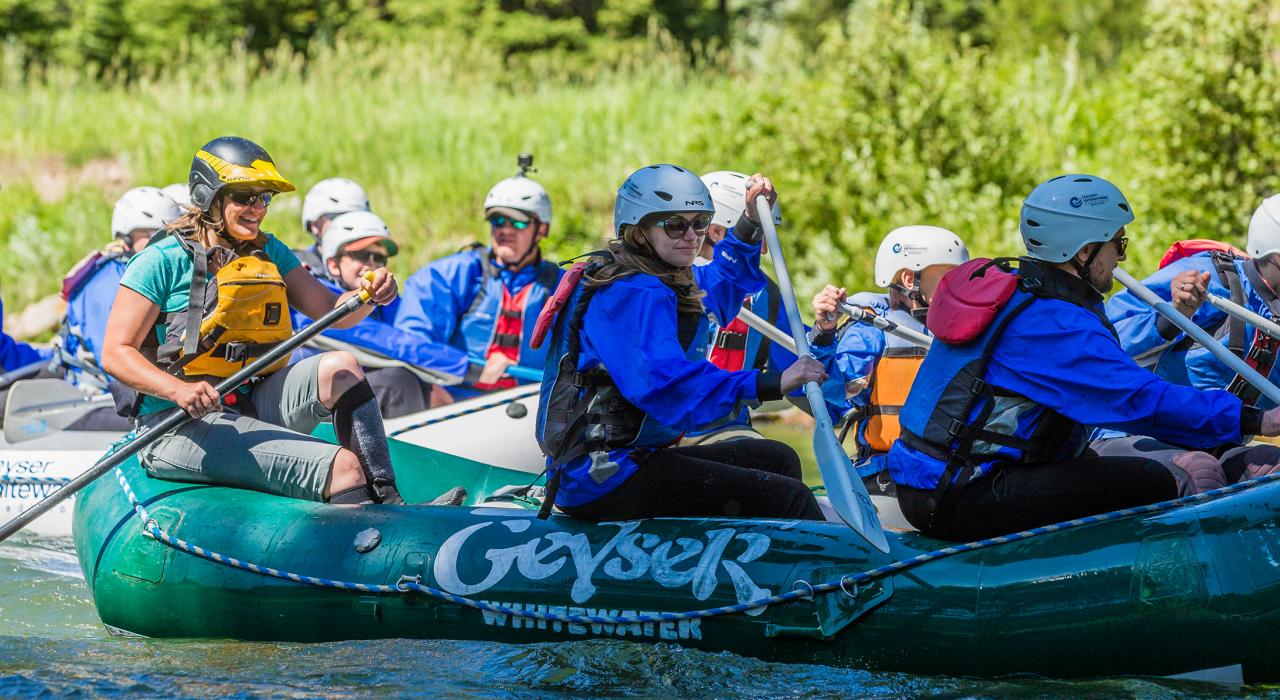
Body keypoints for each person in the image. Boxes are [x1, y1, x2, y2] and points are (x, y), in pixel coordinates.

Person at [887, 174, 1280, 541]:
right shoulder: (1050, 322)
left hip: (941, 480)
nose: (1122, 259)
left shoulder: (1023, 295)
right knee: (1180, 477)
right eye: (1119, 245)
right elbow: (1138, 401)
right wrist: (1255, 418)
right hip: (961, 492)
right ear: (1086, 251)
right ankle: (1189, 598)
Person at [102, 136, 407, 505]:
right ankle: (361, 532)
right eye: (245, 196)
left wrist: (367, 297)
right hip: (174, 426)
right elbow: (116, 353)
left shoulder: (269, 250)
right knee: (343, 467)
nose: (257, 208)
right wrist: (178, 390)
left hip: (247, 404)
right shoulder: (160, 260)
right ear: (208, 196)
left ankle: (389, 502)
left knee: (342, 367)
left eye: (264, 198)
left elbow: (331, 308)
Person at [536, 164, 827, 522]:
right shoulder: (627, 291)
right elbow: (667, 387)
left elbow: (723, 281)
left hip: (637, 456)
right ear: (639, 231)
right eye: (675, 225)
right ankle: (833, 576)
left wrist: (749, 222)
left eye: (699, 223)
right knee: (790, 499)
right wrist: (771, 382)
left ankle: (751, 560)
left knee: (778, 458)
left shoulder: (666, 277)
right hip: (601, 475)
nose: (691, 236)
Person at [1096, 194, 1280, 492]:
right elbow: (1105, 345)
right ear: (1276, 257)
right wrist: (1174, 315)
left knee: (1273, 470)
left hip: (1215, 439)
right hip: (1132, 433)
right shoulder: (1213, 279)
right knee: (1200, 473)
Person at [810, 226, 969, 497]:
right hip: (887, 475)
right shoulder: (871, 330)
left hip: (948, 471)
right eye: (947, 277)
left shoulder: (963, 325)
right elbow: (830, 401)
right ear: (909, 279)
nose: (958, 285)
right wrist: (823, 335)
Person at [396, 160, 562, 395]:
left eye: (518, 222)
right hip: (459, 404)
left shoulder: (561, 285)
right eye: (497, 221)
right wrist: (470, 371)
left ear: (542, 230)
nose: (505, 230)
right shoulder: (453, 275)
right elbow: (410, 340)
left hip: (533, 403)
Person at [290, 210, 469, 417]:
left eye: (380, 258)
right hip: (307, 403)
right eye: (361, 255)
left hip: (344, 396)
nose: (371, 265)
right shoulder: (313, 293)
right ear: (333, 264)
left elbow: (408, 337)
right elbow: (383, 340)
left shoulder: (381, 299)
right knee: (399, 381)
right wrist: (468, 368)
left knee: (416, 379)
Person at [682, 170, 792, 444]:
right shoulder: (673, 284)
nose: (764, 250)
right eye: (759, 234)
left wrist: (824, 336)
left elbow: (798, 365)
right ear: (717, 231)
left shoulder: (767, 295)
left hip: (729, 429)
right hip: (677, 431)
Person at [61, 186, 183, 393]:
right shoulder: (105, 283)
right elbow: (112, 363)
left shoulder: (160, 269)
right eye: (154, 233)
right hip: (98, 394)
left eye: (173, 233)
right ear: (127, 236)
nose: (165, 241)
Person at [295, 178, 371, 277]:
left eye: (360, 220)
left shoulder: (372, 261)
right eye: (340, 218)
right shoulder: (295, 266)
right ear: (315, 224)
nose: (354, 225)